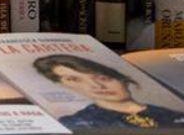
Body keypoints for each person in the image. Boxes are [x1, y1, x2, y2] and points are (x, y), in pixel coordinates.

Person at [31, 54, 184, 130]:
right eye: (74, 79)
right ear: (64, 85)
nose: (97, 86)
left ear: (121, 78)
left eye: (103, 77)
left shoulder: (173, 114)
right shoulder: (76, 124)